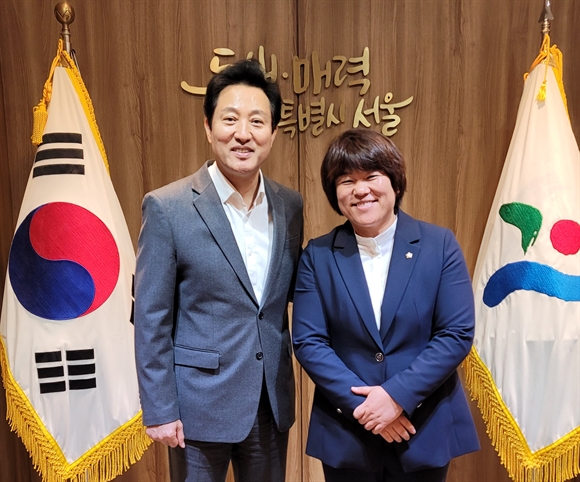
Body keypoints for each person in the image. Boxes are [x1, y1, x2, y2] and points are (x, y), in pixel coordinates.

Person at [134, 59, 303, 482]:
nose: (243, 133)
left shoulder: (290, 205)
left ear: (272, 133)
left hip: (269, 402)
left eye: (257, 121)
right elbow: (151, 317)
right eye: (230, 119)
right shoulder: (168, 207)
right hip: (197, 407)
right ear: (209, 127)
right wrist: (160, 409)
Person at [292, 128, 479, 482]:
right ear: (335, 193)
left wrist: (396, 397)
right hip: (348, 431)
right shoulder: (317, 255)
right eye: (347, 181)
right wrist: (367, 408)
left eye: (371, 176)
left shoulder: (439, 245)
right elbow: (308, 341)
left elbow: (455, 333)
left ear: (395, 182)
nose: (360, 190)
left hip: (422, 427)